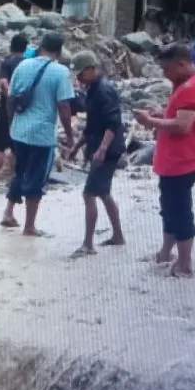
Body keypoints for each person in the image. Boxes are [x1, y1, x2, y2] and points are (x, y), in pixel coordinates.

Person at [133, 43, 195, 278]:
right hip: (175, 160)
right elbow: (179, 118)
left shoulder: (191, 88)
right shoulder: (189, 83)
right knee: (169, 208)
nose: (164, 74)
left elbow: (182, 126)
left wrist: (150, 122)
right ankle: (167, 252)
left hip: (182, 161)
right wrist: (162, 116)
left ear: (181, 64)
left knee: (179, 212)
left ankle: (185, 263)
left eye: (167, 69)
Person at [0, 31, 75, 237]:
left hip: (19, 131)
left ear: (40, 47)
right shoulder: (60, 72)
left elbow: (10, 98)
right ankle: (29, 226)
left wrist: (11, 123)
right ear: (58, 51)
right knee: (36, 179)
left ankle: (8, 213)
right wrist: (69, 136)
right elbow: (64, 107)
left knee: (20, 171)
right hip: (41, 135)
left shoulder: (23, 65)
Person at [68, 50, 126, 256]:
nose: (78, 78)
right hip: (102, 146)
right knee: (103, 192)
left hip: (108, 149)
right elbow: (92, 126)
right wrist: (77, 146)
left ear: (92, 70)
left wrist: (101, 150)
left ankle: (88, 244)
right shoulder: (93, 90)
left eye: (81, 73)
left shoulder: (103, 90)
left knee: (89, 193)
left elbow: (113, 123)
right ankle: (118, 236)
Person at [0, 34, 29, 188]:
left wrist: (10, 97)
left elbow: (3, 83)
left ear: (11, 46)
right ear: (25, 48)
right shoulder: (28, 64)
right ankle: (16, 179)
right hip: (23, 110)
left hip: (5, 109)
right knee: (17, 146)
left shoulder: (7, 62)